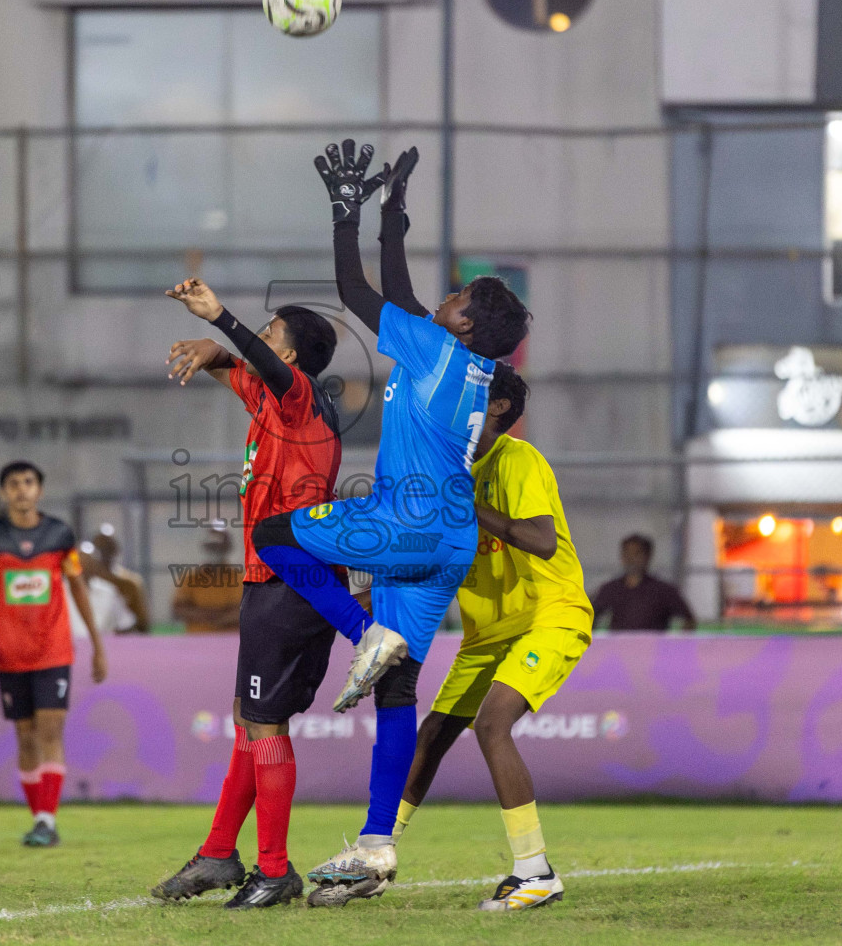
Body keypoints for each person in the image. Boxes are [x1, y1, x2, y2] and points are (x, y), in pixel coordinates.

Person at [247, 142, 531, 895]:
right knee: (399, 686)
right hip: (451, 540)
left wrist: (346, 211)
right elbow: (401, 293)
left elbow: (356, 287)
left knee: (272, 534)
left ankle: (360, 631)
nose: (445, 298)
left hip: (403, 524)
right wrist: (393, 210)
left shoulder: (434, 348)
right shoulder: (471, 369)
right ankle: (376, 846)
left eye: (459, 297)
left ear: (464, 325)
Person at [355, 366, 591, 911]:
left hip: (549, 615)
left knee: (491, 724)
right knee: (433, 733)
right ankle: (375, 854)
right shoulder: (448, 470)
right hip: (486, 632)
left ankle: (535, 873)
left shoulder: (517, 459)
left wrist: (466, 508)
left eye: (472, 395)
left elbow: (540, 540)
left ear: (500, 409)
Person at [150, 273, 343, 909]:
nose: (260, 342)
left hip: (295, 577)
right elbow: (244, 369)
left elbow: (265, 367)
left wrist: (220, 321)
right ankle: (216, 855)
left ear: (287, 356)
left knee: (263, 722)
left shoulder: (301, 398)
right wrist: (219, 353)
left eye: (269, 335)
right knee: (250, 718)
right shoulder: (267, 398)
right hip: (268, 578)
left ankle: (275, 869)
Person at [0, 461, 107, 848]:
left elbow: (78, 589)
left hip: (53, 651)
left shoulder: (60, 534)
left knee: (50, 730)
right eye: (13, 484)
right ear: (3, 493)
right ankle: (39, 819)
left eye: (28, 482)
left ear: (39, 490)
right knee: (24, 737)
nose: (21, 490)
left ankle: (47, 818)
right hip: (10, 654)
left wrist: (96, 643)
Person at [591, 534, 697, 632]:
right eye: (626, 553)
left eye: (636, 554)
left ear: (648, 556)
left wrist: (676, 645)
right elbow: (590, 616)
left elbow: (689, 620)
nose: (630, 559)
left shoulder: (663, 590)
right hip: (618, 650)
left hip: (654, 650)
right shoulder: (612, 588)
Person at [71, 526, 150, 638]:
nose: (105, 553)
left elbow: (131, 623)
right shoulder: (61, 590)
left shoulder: (115, 588)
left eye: (108, 548)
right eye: (101, 548)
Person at [168, 523, 243, 633]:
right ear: (204, 547)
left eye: (219, 547)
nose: (215, 551)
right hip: (197, 640)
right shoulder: (190, 578)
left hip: (231, 640)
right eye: (212, 546)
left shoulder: (240, 578)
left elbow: (245, 610)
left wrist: (220, 619)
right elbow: (178, 609)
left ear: (227, 547)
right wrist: (209, 616)